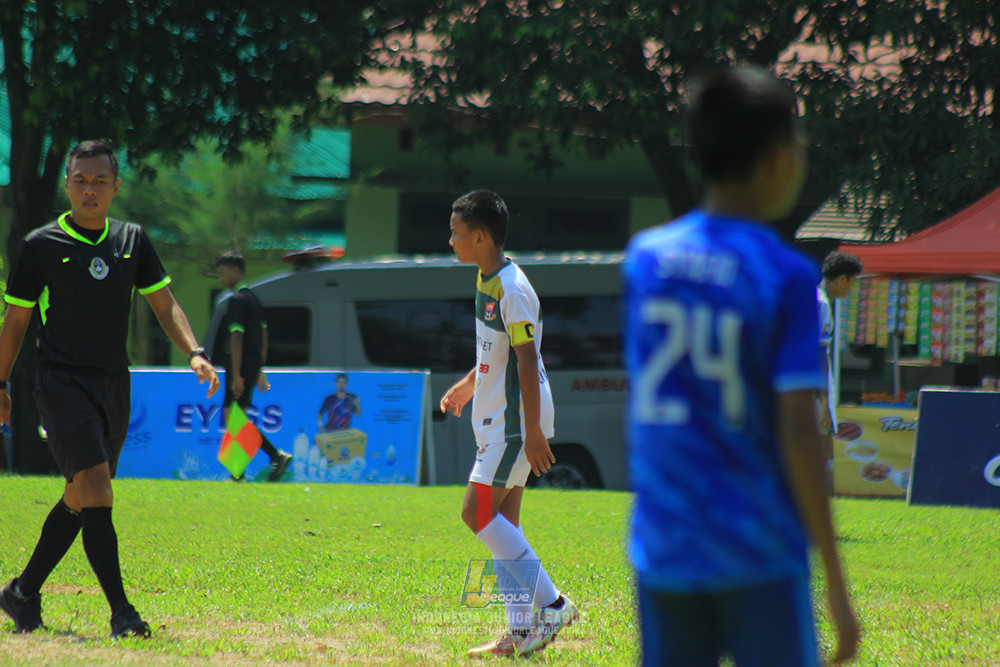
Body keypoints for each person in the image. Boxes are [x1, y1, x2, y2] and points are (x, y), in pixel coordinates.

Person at [622, 67, 860, 665]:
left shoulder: (646, 261)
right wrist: (833, 579)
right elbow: (798, 431)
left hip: (665, 547)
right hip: (757, 550)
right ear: (778, 157)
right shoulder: (784, 275)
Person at [0, 139, 220, 639]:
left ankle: (21, 593)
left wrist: (195, 352)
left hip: (113, 384)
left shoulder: (131, 241)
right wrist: (1, 383)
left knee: (81, 496)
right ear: (67, 185)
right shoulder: (40, 247)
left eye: (100, 181)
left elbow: (164, 305)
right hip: (59, 383)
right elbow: (15, 323)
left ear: (116, 187)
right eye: (80, 180)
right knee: (98, 488)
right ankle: (123, 613)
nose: (90, 190)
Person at [439, 190, 577, 658]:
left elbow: (526, 360)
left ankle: (555, 604)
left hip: (515, 424)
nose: (451, 240)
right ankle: (520, 632)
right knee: (504, 525)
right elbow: (492, 353)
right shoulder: (487, 277)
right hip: (502, 420)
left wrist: (533, 431)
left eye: (457, 233)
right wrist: (467, 385)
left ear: (480, 237)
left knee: (475, 515)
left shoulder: (512, 288)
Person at [214, 250, 293, 482]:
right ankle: (237, 472)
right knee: (237, 416)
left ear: (236, 271)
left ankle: (275, 456)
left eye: (222, 273)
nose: (220, 278)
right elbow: (264, 333)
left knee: (232, 415)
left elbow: (236, 338)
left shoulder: (237, 301)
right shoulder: (254, 299)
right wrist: (259, 367)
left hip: (240, 362)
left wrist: (237, 374)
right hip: (252, 361)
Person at [817, 251, 863, 453]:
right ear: (842, 278)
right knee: (822, 451)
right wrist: (824, 400)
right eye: (852, 282)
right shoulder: (822, 304)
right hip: (812, 390)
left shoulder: (809, 295)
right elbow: (818, 352)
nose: (851, 288)